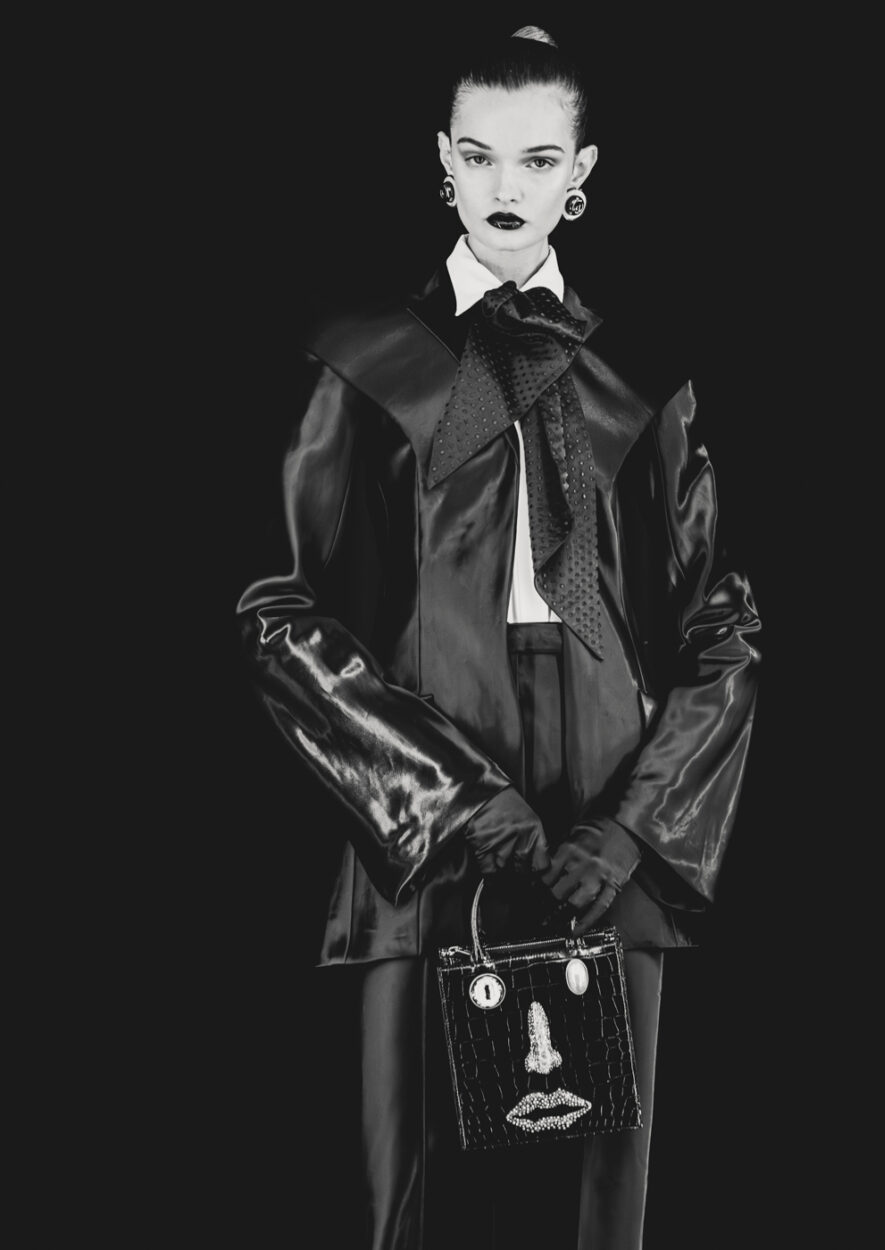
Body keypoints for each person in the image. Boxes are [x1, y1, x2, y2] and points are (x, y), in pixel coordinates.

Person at [235, 24, 762, 1250]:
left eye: (536, 159)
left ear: (581, 172)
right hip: (426, 820)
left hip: (605, 819)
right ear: (443, 161)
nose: (505, 186)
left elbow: (719, 625)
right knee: (414, 1209)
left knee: (596, 1215)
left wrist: (635, 826)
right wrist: (452, 798)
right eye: (479, 157)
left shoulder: (640, 377)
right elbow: (281, 615)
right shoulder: (367, 366)